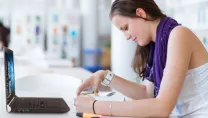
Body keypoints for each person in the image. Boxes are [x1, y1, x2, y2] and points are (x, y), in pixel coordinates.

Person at [74, 0, 208, 117]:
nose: (126, 36)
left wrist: (95, 106)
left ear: (140, 13)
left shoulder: (179, 35)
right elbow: (147, 93)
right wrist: (105, 76)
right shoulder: (157, 46)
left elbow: (162, 108)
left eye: (125, 28)